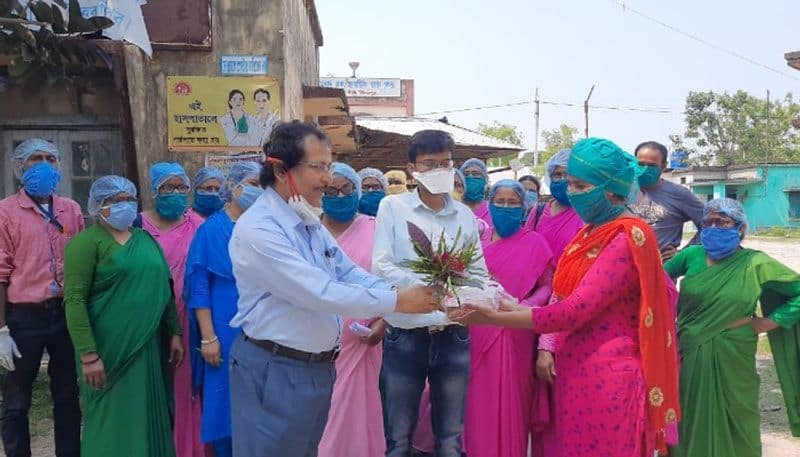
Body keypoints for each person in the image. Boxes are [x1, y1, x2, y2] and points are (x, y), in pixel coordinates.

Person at [451, 138, 681, 457]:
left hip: (610, 379)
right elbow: (561, 294)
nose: (571, 191)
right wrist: (510, 305)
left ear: (611, 188)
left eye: (580, 184)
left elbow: (572, 311)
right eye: (569, 183)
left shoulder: (625, 238)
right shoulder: (589, 233)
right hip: (575, 374)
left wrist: (491, 317)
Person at [227, 121, 439, 457]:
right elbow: (320, 293)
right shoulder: (260, 230)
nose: (328, 178)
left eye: (328, 165)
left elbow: (347, 271)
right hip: (276, 369)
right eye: (319, 167)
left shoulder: (306, 219)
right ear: (282, 170)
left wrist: (409, 292)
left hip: (316, 369)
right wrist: (398, 301)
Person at [373, 129, 490, 457]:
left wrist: (467, 292)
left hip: (454, 335)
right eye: (430, 164)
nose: (440, 171)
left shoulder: (464, 215)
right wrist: (432, 286)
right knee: (397, 440)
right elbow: (381, 266)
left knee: (451, 440)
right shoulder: (392, 208)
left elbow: (478, 271)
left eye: (445, 163)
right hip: (405, 334)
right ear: (413, 168)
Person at [665, 198, 800, 457]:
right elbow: (657, 280)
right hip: (689, 350)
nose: (714, 227)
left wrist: (768, 322)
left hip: (735, 351)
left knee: (738, 414)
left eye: (723, 222)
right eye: (709, 222)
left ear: (740, 229)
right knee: (688, 413)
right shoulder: (691, 255)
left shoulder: (756, 263)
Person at [63, 175, 183, 456]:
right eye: (116, 201)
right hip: (107, 352)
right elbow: (75, 300)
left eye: (130, 199)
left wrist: (175, 332)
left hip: (148, 347)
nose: (125, 206)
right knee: (110, 419)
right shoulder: (86, 243)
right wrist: (88, 355)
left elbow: (164, 289)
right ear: (99, 205)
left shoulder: (145, 240)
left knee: (147, 412)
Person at [0, 139, 82, 457]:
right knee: (17, 399)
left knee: (66, 395)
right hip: (23, 316)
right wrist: (2, 329)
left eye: (51, 158)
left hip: (64, 312)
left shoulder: (70, 210)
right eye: (36, 159)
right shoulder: (6, 212)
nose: (45, 165)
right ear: (20, 166)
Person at [464, 179, 554, 457]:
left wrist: (524, 306)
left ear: (524, 208)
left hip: (516, 332)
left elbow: (549, 286)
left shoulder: (536, 243)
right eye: (499, 202)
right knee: (476, 403)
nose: (505, 207)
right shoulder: (474, 243)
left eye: (512, 203)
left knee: (511, 402)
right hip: (475, 331)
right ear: (489, 205)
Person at [184, 162, 261, 457]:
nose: (258, 190)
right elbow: (199, 287)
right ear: (235, 187)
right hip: (224, 327)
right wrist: (208, 337)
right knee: (224, 402)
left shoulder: (263, 228)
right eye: (253, 183)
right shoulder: (212, 230)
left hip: (262, 324)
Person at [318, 163, 387, 457]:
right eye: (330, 190)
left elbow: (393, 283)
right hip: (313, 345)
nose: (338, 195)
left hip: (363, 342)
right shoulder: (307, 230)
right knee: (322, 418)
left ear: (356, 192)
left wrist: (384, 323)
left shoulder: (376, 230)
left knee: (360, 416)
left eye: (346, 189)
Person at [141, 162, 204, 457]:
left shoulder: (197, 225)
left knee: (184, 383)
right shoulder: (137, 225)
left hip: (190, 319)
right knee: (149, 382)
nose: (175, 193)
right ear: (154, 190)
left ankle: (185, 447)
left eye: (181, 187)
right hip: (146, 320)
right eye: (168, 187)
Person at [631, 141, 704, 262]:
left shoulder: (679, 194)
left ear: (663, 166)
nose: (644, 169)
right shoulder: (622, 191)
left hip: (662, 270)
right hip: (625, 267)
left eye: (651, 166)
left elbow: (709, 224)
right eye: (640, 164)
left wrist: (684, 253)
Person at [524, 149, 584, 260]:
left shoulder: (586, 213)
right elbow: (526, 246)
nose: (562, 179)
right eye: (557, 175)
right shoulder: (539, 211)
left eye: (567, 175)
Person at [459, 158, 492, 229]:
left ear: (485, 179)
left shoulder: (492, 211)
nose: (470, 177)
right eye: (466, 174)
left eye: (475, 174)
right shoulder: (454, 209)